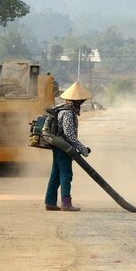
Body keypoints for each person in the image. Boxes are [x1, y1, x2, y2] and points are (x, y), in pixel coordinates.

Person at [45, 81, 93, 211]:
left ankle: (50, 202)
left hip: (59, 146)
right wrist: (83, 150)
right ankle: (66, 203)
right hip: (63, 147)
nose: (81, 103)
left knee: (55, 174)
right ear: (76, 101)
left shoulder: (63, 109)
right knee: (66, 174)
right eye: (81, 101)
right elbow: (69, 135)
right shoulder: (67, 113)